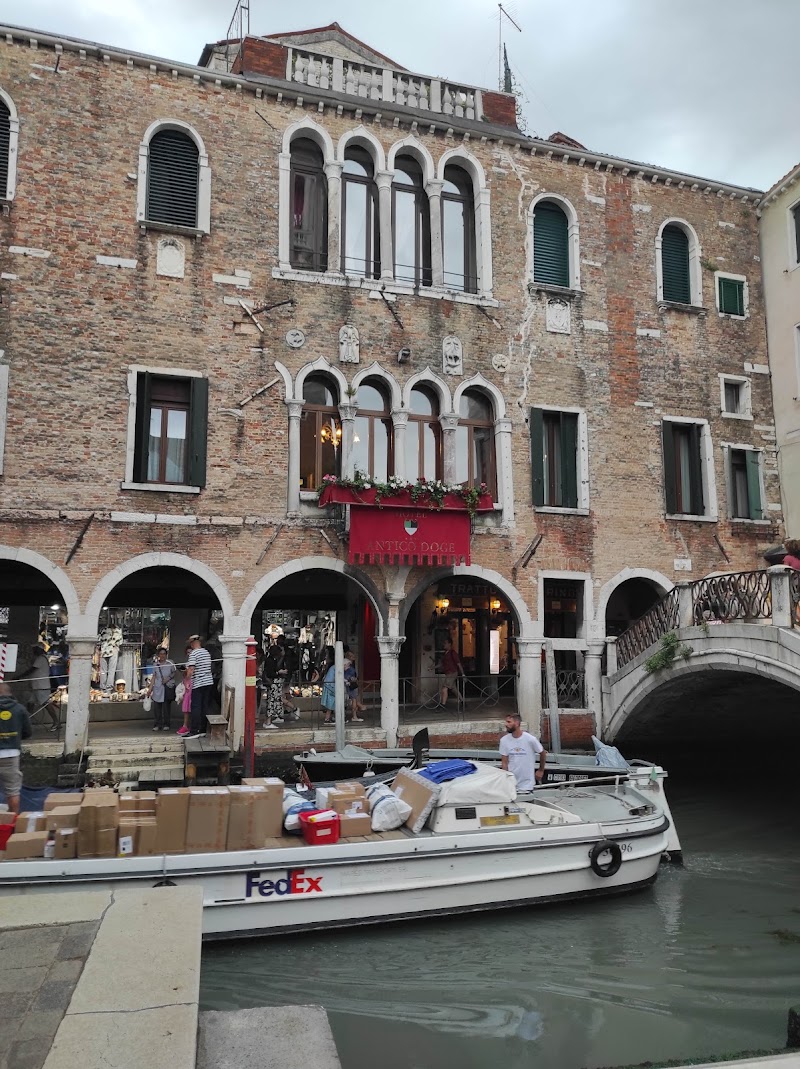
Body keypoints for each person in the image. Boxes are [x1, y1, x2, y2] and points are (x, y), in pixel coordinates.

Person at [0, 681, 32, 814]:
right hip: (11, 754)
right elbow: (28, 732)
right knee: (12, 790)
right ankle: (12, 820)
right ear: (10, 693)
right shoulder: (19, 709)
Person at [499, 713, 547, 792]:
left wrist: (541, 770)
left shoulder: (530, 739)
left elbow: (542, 753)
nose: (506, 724)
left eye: (509, 722)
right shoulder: (504, 740)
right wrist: (505, 778)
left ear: (517, 723)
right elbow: (504, 762)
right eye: (506, 722)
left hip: (527, 784)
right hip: (511, 783)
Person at [18, 645, 59, 731]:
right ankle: (27, 721)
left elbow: (31, 670)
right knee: (30, 703)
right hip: (36, 686)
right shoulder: (39, 658)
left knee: (46, 704)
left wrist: (19, 677)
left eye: (35, 649)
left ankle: (56, 722)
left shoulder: (41, 659)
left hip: (41, 686)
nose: (33, 651)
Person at [184, 635, 214, 741]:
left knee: (196, 706)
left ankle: (194, 731)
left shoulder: (194, 653)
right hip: (208, 682)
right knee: (204, 706)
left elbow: (191, 669)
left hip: (199, 683)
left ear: (192, 643)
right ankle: (202, 730)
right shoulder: (206, 652)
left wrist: (187, 681)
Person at [147, 646, 177, 732]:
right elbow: (154, 677)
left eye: (164, 654)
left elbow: (174, 672)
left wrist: (168, 678)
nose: (162, 656)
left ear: (166, 655)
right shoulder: (155, 665)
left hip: (167, 686)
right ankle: (157, 724)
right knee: (157, 707)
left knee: (166, 707)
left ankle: (166, 724)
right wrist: (150, 689)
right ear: (158, 655)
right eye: (161, 654)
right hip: (158, 687)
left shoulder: (170, 663)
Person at [261, 636, 286, 730]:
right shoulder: (271, 661)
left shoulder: (270, 660)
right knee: (271, 702)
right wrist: (279, 672)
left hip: (273, 684)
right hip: (273, 684)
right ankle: (268, 722)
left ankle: (267, 721)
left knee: (271, 702)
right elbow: (271, 673)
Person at [439, 638, 464, 709]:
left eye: (445, 643)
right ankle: (463, 702)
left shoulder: (453, 653)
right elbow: (442, 664)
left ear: (449, 644)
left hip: (452, 673)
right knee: (454, 689)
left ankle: (443, 705)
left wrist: (463, 674)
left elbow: (458, 663)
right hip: (448, 673)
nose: (444, 644)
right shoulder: (445, 654)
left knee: (444, 688)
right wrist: (432, 667)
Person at [343, 657, 365, 723]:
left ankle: (355, 715)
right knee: (354, 700)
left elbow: (349, 678)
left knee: (354, 700)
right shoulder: (350, 669)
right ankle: (355, 715)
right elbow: (352, 678)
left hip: (350, 686)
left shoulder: (349, 670)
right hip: (351, 686)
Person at [320, 648, 336, 725]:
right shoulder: (335, 667)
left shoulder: (332, 667)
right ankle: (328, 718)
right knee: (331, 703)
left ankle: (331, 717)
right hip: (330, 686)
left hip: (329, 685)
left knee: (332, 703)